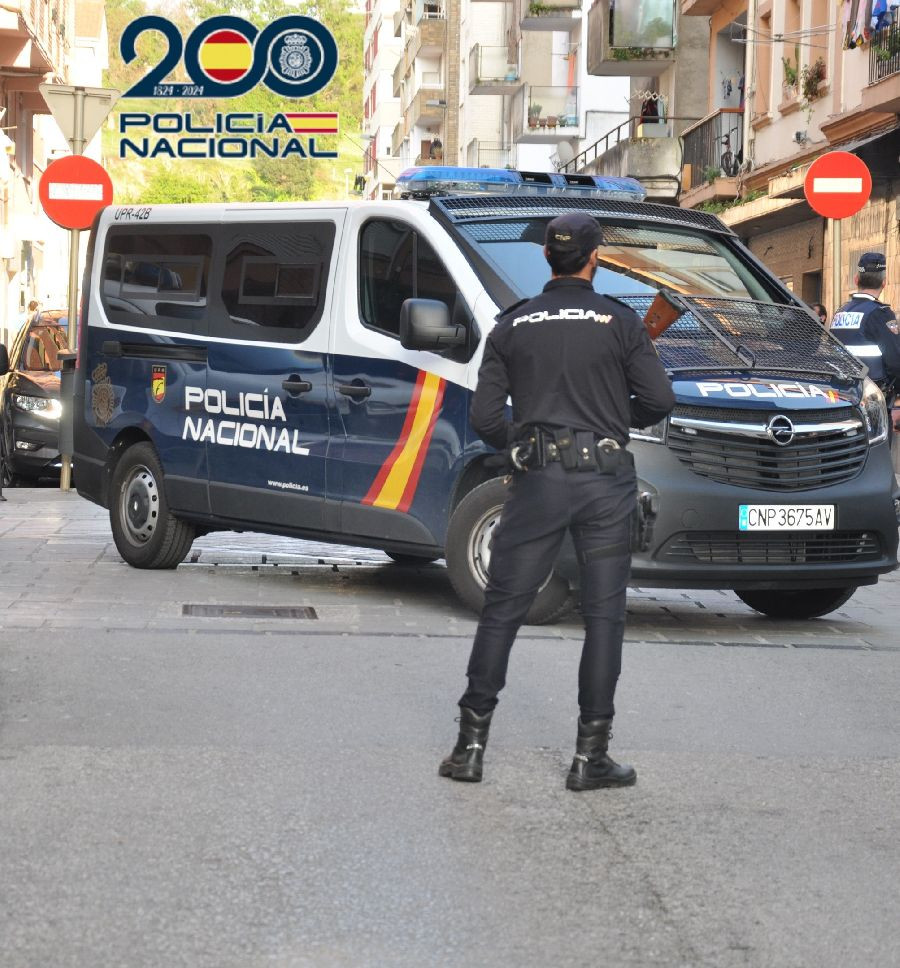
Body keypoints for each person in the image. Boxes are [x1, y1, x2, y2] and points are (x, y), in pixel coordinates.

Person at [439, 213, 676, 791]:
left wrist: (524, 441)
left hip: (537, 481)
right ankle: (590, 758)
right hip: (604, 484)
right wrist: (612, 417)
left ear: (547, 256)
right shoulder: (622, 322)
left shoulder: (513, 324)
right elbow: (659, 400)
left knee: (502, 609)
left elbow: (485, 418)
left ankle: (469, 749)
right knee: (604, 618)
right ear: (595, 258)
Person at [830, 253, 899, 386]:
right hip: (871, 391)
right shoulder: (881, 313)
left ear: (856, 280)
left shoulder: (840, 312)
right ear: (884, 283)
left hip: (841, 388)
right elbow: (895, 361)